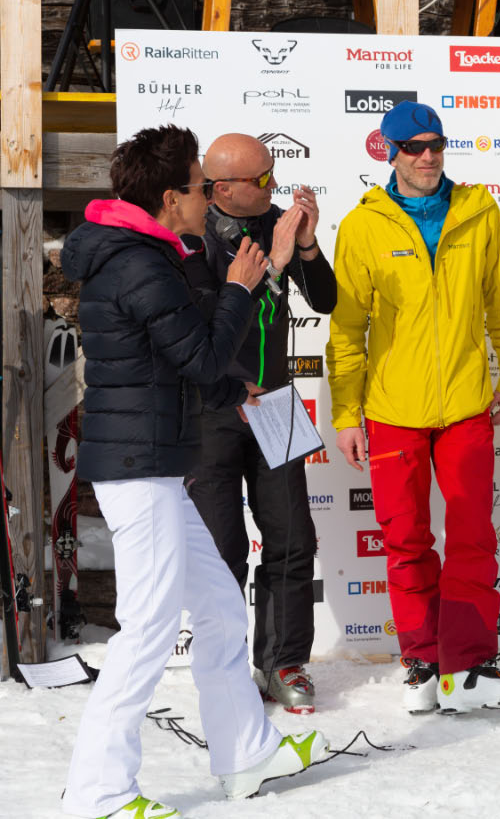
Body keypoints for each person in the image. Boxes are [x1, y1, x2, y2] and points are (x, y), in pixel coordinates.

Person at [59, 126, 326, 819]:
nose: (211, 197)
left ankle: (245, 752)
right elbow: (204, 356)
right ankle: (99, 792)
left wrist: (237, 386)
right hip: (140, 467)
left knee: (217, 607)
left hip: (156, 462)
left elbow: (182, 356)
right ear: (170, 196)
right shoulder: (138, 263)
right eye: (202, 187)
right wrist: (241, 287)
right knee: (147, 628)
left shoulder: (148, 254)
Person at [326, 101, 500, 714]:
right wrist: (346, 415)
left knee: (472, 536)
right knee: (406, 539)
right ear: (389, 152)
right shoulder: (363, 225)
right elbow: (346, 330)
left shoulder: (478, 211)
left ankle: (469, 664)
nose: (427, 156)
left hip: (466, 404)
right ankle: (422, 660)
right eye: (413, 147)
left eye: (436, 144)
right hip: (393, 411)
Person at [185, 132, 337, 715]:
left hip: (277, 403)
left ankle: (283, 662)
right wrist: (272, 262)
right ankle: (224, 668)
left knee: (293, 538)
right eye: (263, 178)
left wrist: (306, 247)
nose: (275, 185)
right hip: (213, 408)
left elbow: (325, 301)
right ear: (222, 189)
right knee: (222, 550)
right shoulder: (193, 236)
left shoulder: (277, 222)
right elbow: (211, 322)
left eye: (274, 172)